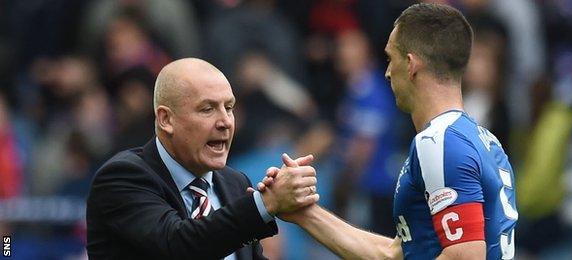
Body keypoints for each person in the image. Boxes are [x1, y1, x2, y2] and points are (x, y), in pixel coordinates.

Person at [258, 3, 518, 259]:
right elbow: (395, 253)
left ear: (411, 64)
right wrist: (302, 213)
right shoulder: (484, 141)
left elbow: (465, 257)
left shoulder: (440, 142)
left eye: (390, 58)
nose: (387, 72)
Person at [86, 58, 320, 259]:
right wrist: (266, 203)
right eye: (207, 109)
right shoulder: (122, 178)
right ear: (166, 119)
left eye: (228, 108)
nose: (225, 121)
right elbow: (181, 246)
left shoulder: (235, 183)